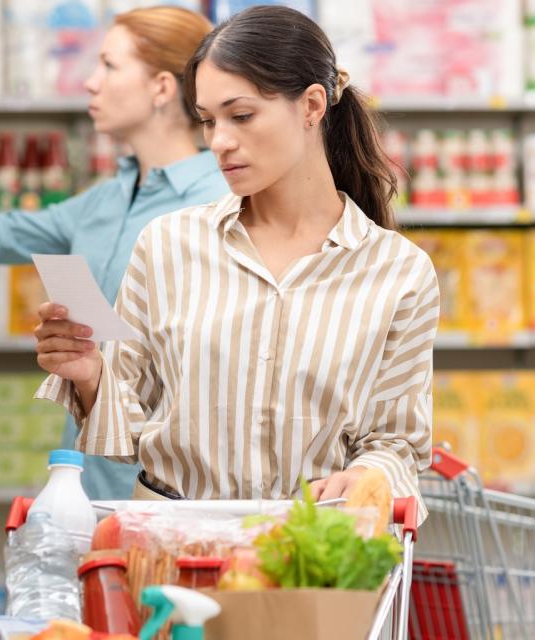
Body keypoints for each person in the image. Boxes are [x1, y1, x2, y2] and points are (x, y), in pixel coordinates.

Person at [32, 5, 439, 521]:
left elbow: (398, 443)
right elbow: (127, 431)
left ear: (312, 105)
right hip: (174, 549)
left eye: (240, 115)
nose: (219, 141)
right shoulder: (166, 246)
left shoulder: (399, 272)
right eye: (207, 120)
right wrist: (89, 375)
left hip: (312, 552)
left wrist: (366, 477)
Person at [0, 7, 229, 500]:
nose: (90, 83)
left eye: (109, 66)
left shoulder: (221, 199)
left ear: (162, 88)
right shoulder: (102, 201)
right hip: (86, 475)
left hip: (176, 488)